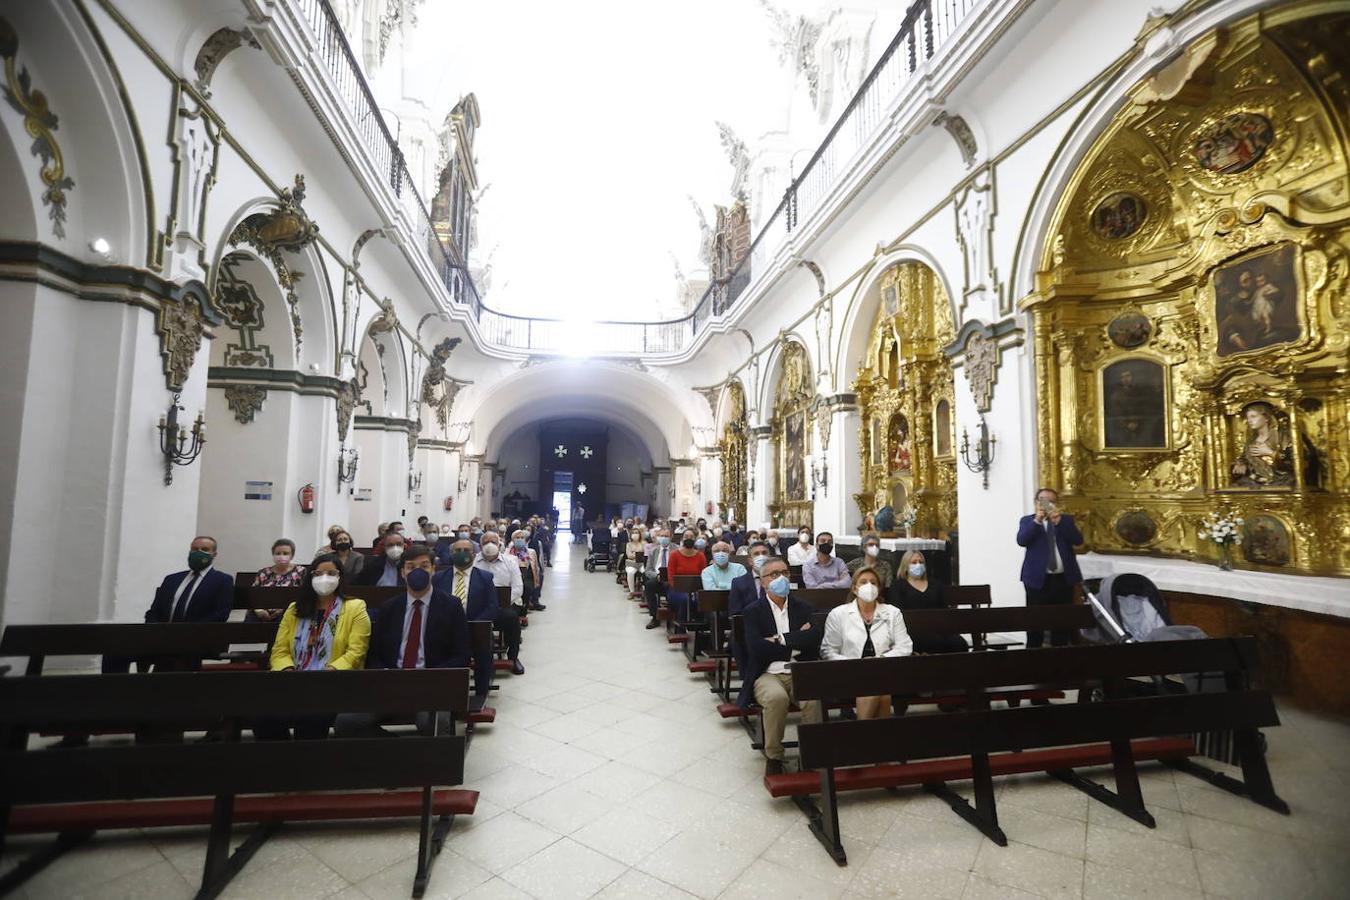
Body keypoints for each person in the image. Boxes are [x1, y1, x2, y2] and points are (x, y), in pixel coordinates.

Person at [333, 544, 472, 738]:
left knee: (433, 725)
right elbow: (374, 654)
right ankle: (397, 750)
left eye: (424, 566)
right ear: (403, 572)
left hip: (430, 685)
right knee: (347, 722)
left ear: (433, 570)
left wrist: (430, 677)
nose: (417, 572)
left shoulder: (451, 606)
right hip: (392, 684)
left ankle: (426, 760)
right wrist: (386, 675)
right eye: (410, 567)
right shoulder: (390, 608)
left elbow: (461, 655)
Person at [254, 554, 370, 740]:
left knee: (311, 717)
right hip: (294, 682)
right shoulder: (294, 609)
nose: (325, 577)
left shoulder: (355, 607)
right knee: (264, 716)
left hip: (333, 683)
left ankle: (308, 764)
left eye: (331, 573)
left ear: (340, 577)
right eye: (318, 573)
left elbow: (356, 652)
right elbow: (280, 650)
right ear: (310, 577)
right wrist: (288, 671)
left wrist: (327, 673)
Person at [101, 536, 234, 675]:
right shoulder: (172, 579)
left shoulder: (222, 580)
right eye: (194, 549)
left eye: (204, 549)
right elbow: (153, 612)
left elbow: (220, 614)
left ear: (214, 554)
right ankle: (115, 692)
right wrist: (156, 631)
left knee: (175, 659)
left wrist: (186, 633)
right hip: (162, 637)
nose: (198, 552)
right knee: (115, 650)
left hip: (196, 638)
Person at [740, 557, 823, 775]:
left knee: (813, 700)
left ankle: (811, 754)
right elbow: (757, 648)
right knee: (777, 698)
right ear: (763, 581)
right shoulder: (753, 611)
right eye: (774, 575)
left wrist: (778, 639)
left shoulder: (803, 607)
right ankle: (774, 756)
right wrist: (795, 640)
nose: (781, 578)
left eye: (784, 573)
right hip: (768, 673)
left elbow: (814, 639)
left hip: (799, 669)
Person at [821, 569, 913, 719]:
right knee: (878, 692)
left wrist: (880, 659)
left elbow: (905, 646)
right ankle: (871, 737)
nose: (869, 586)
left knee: (879, 691)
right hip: (850, 672)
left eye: (873, 583)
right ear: (854, 588)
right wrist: (857, 664)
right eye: (863, 582)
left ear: (879, 588)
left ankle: (864, 736)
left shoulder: (892, 612)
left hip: (884, 669)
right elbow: (828, 651)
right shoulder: (838, 614)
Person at [435, 538, 506, 695]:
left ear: (474, 555)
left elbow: (492, 607)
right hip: (447, 630)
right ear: (451, 554)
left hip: (475, 629)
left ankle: (481, 694)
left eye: (466, 550)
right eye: (457, 551)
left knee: (483, 653)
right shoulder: (439, 577)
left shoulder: (485, 577)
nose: (462, 554)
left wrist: (473, 624)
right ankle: (446, 693)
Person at [1016, 487, 1083, 648]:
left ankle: (1058, 657)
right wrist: (1037, 521)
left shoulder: (1066, 520)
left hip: (1063, 579)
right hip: (1037, 580)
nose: (1047, 505)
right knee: (1035, 622)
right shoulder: (1027, 520)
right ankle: (1033, 657)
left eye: (1051, 502)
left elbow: (1077, 540)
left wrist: (1059, 523)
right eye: (1043, 501)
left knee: (1061, 622)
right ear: (1036, 503)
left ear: (1057, 504)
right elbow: (1022, 540)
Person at [891, 550, 968, 654]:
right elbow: (897, 611)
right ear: (906, 566)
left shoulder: (935, 584)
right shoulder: (898, 586)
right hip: (913, 630)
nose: (918, 565)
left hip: (938, 628)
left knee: (959, 643)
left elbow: (944, 608)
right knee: (934, 642)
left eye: (921, 562)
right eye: (914, 562)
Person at [472, 532, 525, 675]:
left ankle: (513, 658)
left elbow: (518, 587)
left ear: (499, 544)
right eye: (486, 542)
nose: (489, 545)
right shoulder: (473, 562)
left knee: (511, 618)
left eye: (493, 542)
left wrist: (502, 602)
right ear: (481, 546)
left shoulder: (511, 561)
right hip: (479, 607)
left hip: (504, 606)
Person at [646, 528, 702, 629]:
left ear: (671, 537)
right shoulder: (654, 551)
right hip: (661, 579)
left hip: (677, 583)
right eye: (662, 536)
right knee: (649, 585)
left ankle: (691, 625)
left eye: (666, 536)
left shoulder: (676, 549)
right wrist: (656, 575)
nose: (664, 538)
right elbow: (648, 569)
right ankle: (655, 617)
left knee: (691, 598)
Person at [248, 538, 307, 622]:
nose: (281, 556)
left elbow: (303, 595)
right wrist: (259, 611)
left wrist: (282, 610)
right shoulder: (264, 572)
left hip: (288, 612)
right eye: (278, 553)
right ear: (273, 554)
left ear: (292, 555)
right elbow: (253, 594)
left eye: (285, 553)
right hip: (262, 613)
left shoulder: (300, 572)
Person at [508, 529, 545, 611]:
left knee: (528, 585)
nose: (520, 539)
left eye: (522, 538)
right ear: (513, 540)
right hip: (512, 576)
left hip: (527, 576)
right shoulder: (507, 552)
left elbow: (535, 567)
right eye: (517, 538)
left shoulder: (531, 552)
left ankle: (529, 604)